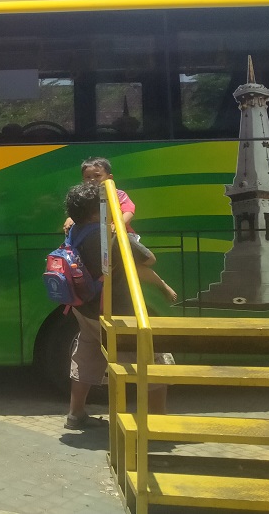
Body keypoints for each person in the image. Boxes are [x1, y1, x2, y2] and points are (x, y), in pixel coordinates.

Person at [62, 182, 177, 430]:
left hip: (85, 309)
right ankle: (158, 425)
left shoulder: (74, 230)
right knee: (152, 361)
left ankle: (76, 414)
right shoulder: (110, 236)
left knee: (88, 353)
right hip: (115, 312)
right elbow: (149, 259)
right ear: (97, 211)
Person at [64, 157, 178, 300]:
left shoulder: (118, 194)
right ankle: (160, 284)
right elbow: (80, 212)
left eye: (97, 176)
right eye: (88, 177)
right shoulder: (88, 198)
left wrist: (117, 225)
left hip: (123, 234)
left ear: (109, 178)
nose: (92, 180)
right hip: (105, 239)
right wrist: (70, 218)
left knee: (140, 262)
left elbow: (129, 211)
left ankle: (161, 284)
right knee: (128, 267)